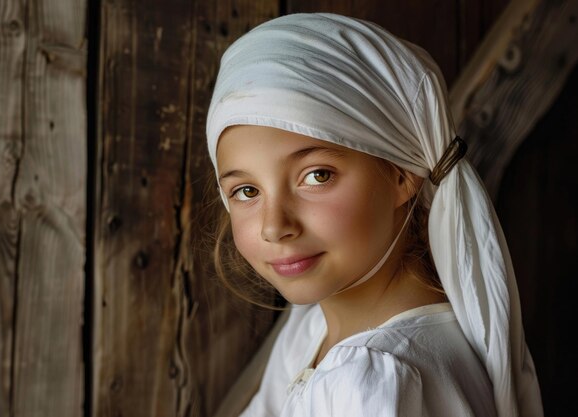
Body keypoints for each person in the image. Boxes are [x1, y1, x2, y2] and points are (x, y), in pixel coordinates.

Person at [205, 13, 543, 417]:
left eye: (317, 175)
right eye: (246, 191)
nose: (275, 226)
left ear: (403, 174)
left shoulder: (371, 382)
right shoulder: (313, 330)